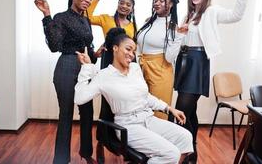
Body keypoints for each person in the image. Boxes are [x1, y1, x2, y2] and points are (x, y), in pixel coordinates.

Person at [171, 0, 260, 163]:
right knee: (190, 111)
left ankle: (185, 152)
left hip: (198, 62)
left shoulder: (211, 12)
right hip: (184, 62)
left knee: (181, 110)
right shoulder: (189, 14)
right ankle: (192, 153)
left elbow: (235, 15)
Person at [75, 28, 193, 164]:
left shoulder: (135, 69)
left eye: (133, 51)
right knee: (171, 154)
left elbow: (145, 97)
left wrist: (169, 108)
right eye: (128, 49)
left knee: (185, 137)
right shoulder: (103, 76)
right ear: (115, 48)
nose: (132, 54)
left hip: (148, 118)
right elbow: (79, 98)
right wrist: (86, 67)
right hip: (129, 126)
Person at [32, 0, 98, 164]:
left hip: (85, 68)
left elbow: (88, 47)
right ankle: (61, 160)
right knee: (66, 114)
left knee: (87, 113)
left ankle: (86, 153)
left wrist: (95, 54)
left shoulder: (86, 20)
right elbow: (54, 46)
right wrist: (47, 14)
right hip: (67, 65)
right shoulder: (61, 17)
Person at [136, 0, 186, 119]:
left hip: (161, 71)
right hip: (143, 68)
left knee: (158, 113)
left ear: (170, 5)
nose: (157, 3)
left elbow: (169, 58)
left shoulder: (172, 26)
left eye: (162, 0)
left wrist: (180, 36)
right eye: (155, 0)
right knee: (141, 109)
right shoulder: (149, 21)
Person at [87, 0, 137, 68]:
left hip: (126, 59)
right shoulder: (106, 18)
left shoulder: (133, 26)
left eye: (128, 5)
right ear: (118, 4)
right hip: (108, 56)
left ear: (132, 9)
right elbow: (86, 17)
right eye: (122, 3)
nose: (124, 6)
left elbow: (134, 45)